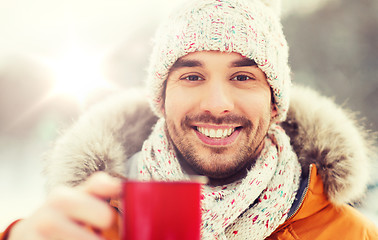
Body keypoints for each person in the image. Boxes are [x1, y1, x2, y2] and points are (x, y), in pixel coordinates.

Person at [2, 0, 378, 239]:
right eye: (192, 76)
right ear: (161, 100)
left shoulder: (350, 234)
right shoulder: (90, 227)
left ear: (276, 103)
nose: (216, 104)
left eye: (243, 77)